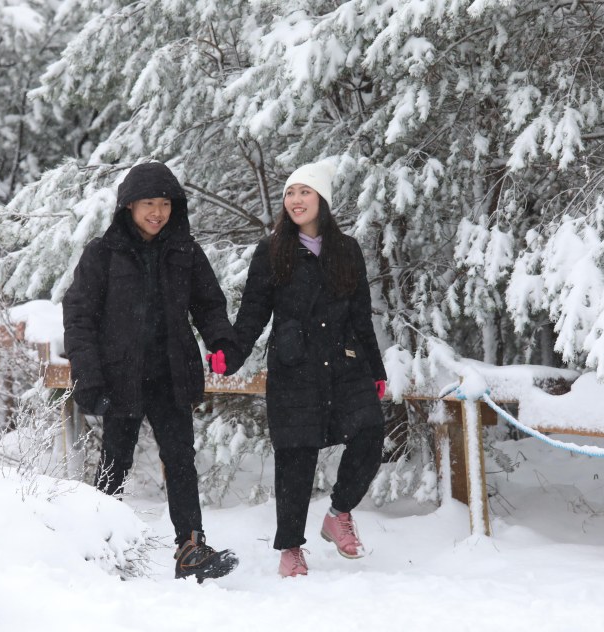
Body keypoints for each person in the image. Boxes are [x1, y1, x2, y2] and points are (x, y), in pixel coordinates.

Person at [62, 161, 239, 583]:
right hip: (120, 376)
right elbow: (79, 317)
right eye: (148, 204)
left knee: (180, 460)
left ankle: (191, 548)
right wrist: (88, 377)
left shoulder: (185, 252)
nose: (157, 212)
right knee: (114, 463)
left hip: (171, 375)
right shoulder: (102, 255)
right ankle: (99, 547)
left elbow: (210, 305)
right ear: (128, 206)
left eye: (164, 204)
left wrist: (222, 343)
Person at [215, 162, 387, 578]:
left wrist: (375, 368)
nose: (295, 200)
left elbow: (361, 316)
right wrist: (230, 353)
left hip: (345, 365)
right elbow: (253, 312)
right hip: (294, 368)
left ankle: (339, 513)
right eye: (290, 193)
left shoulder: (346, 250)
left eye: (304, 192)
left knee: (370, 433)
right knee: (296, 456)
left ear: (322, 200)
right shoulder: (272, 251)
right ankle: (291, 548)